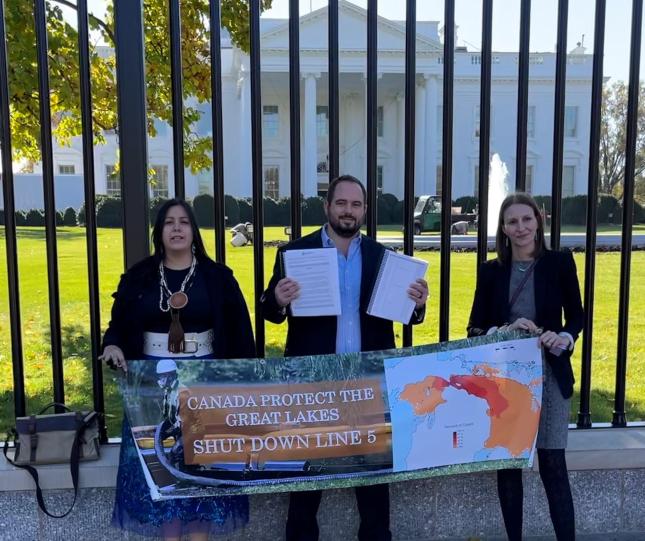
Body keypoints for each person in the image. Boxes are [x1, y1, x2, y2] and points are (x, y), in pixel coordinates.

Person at [260, 175, 429, 541]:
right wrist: (277, 299)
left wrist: (417, 305)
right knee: (306, 484)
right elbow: (269, 311)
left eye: (355, 204)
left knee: (373, 486)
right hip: (313, 386)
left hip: (368, 385)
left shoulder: (383, 258)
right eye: (341, 203)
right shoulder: (295, 253)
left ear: (365, 210)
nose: (348, 211)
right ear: (327, 206)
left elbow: (407, 316)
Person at [100, 198, 256, 541]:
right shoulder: (138, 277)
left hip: (205, 382)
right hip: (152, 384)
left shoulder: (218, 278)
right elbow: (118, 326)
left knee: (200, 466)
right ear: (159, 231)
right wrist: (112, 345)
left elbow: (240, 334)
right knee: (163, 467)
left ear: (193, 231)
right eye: (169, 222)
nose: (176, 228)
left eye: (183, 222)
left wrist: (242, 381)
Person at [467, 192, 583, 541]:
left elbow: (577, 317)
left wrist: (563, 337)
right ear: (503, 228)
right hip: (506, 377)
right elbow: (474, 328)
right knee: (509, 465)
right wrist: (503, 329)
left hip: (550, 371)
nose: (521, 227)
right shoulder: (491, 271)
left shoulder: (559, 263)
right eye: (512, 221)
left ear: (538, 221)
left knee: (553, 464)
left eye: (526, 219)